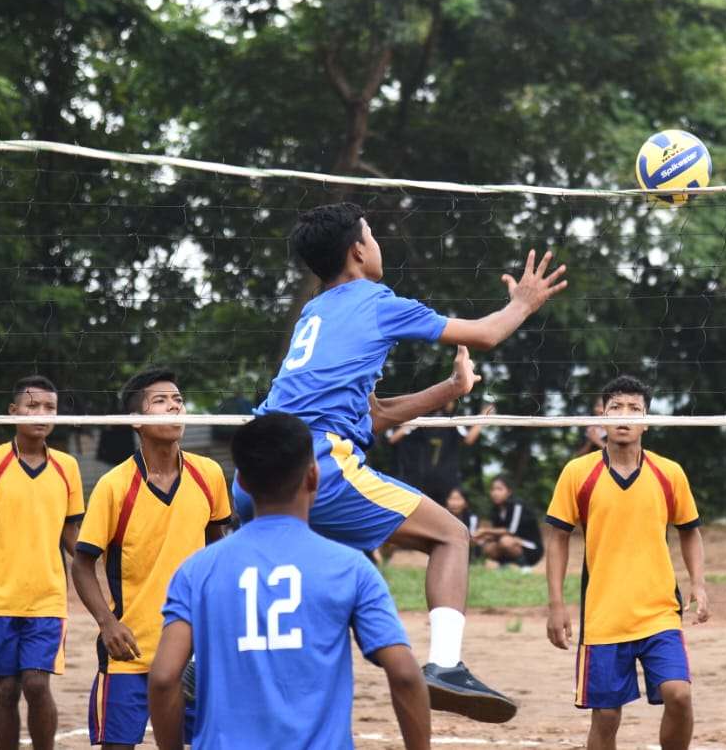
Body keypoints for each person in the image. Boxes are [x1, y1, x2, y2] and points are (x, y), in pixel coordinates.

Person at [237, 202, 567, 722]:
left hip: (255, 469)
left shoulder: (315, 312)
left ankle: (205, 664)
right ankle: (445, 665)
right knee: (452, 535)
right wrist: (524, 303)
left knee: (309, 575)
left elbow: (373, 416)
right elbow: (484, 334)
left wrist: (453, 389)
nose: (378, 243)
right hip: (315, 465)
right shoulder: (374, 300)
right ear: (358, 250)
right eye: (373, 233)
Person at [149, 411, 430, 750]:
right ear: (314, 476)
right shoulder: (350, 568)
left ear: (242, 484)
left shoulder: (196, 570)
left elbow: (164, 678)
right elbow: (403, 674)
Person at [543, 375, 709, 750]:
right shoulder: (578, 473)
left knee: (679, 695)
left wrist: (699, 583)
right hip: (604, 617)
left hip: (659, 612)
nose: (624, 415)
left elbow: (689, 530)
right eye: (615, 407)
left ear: (648, 421)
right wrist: (556, 606)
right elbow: (557, 538)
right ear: (601, 417)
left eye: (634, 408)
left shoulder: (669, 473)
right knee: (605, 718)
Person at [72, 368, 233, 749]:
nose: (174, 406)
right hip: (130, 649)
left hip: (193, 648)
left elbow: (219, 549)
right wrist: (107, 623)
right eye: (161, 401)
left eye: (178, 399)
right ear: (137, 421)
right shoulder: (113, 486)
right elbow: (82, 564)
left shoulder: (208, 474)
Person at [0, 376, 85, 750]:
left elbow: (72, 534)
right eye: (32, 406)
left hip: (47, 597)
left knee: (37, 683)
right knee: (6, 689)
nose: (41, 414)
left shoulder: (67, 467)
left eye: (49, 408)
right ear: (13, 412)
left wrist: (101, 563)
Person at [388, 402, 493, 506]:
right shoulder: (418, 420)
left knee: (447, 510)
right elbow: (393, 439)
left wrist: (484, 416)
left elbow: (468, 439)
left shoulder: (453, 422)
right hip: (417, 479)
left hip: (444, 481)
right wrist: (413, 424)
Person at [474, 475, 545, 570]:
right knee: (488, 547)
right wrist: (482, 537)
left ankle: (525, 567)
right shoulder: (496, 510)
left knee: (505, 541)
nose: (495, 493)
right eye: (493, 489)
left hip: (531, 547)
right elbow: (497, 533)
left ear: (509, 492)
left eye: (499, 489)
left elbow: (511, 531)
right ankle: (504, 566)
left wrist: (485, 531)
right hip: (511, 542)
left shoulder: (517, 506)